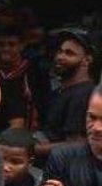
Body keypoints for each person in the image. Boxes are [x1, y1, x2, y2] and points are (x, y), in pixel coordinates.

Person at [35, 30, 97, 162]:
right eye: (60, 51)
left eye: (69, 53)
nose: (60, 57)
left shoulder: (83, 94)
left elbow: (78, 144)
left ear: (87, 59)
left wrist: (31, 149)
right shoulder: (62, 91)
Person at [0, 27, 48, 137]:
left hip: (27, 133)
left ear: (22, 46)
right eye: (1, 45)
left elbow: (42, 104)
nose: (6, 48)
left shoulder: (34, 73)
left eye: (11, 44)